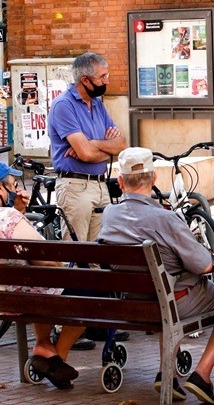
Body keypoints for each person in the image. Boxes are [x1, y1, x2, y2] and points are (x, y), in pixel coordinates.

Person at [98, 147, 214, 404]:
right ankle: (201, 375)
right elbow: (204, 265)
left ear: (121, 182)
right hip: (173, 302)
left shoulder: (109, 215)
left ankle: (167, 375)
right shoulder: (165, 218)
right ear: (154, 179)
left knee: (165, 289)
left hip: (134, 304)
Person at [0, 161, 85, 389]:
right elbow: (46, 257)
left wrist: (17, 211)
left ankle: (44, 347)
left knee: (39, 284)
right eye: (13, 185)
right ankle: (56, 358)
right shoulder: (10, 218)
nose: (17, 190)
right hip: (16, 299)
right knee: (88, 294)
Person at [48, 52, 129, 347]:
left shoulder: (98, 103)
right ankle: (65, 323)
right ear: (85, 80)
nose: (107, 82)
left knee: (99, 256)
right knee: (74, 256)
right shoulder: (63, 107)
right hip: (75, 186)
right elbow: (81, 154)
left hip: (99, 186)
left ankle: (95, 321)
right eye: (102, 78)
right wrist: (101, 147)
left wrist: (94, 143)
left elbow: (122, 144)